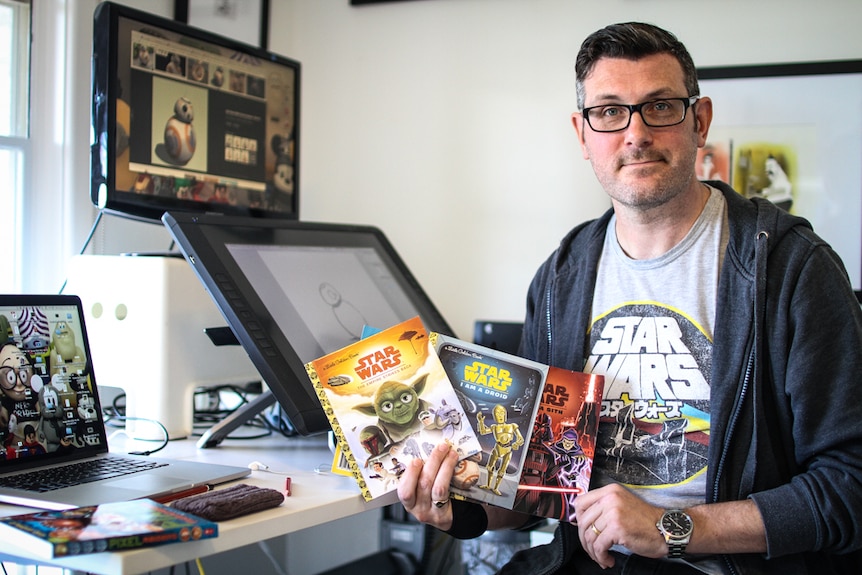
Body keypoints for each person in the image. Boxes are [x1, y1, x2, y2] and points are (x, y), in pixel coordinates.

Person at [397, 22, 862, 575]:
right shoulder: (560, 280)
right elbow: (539, 487)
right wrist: (458, 509)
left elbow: (850, 484)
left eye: (660, 106)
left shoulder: (791, 269)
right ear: (582, 132)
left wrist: (672, 531)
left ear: (700, 121)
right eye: (611, 111)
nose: (635, 133)